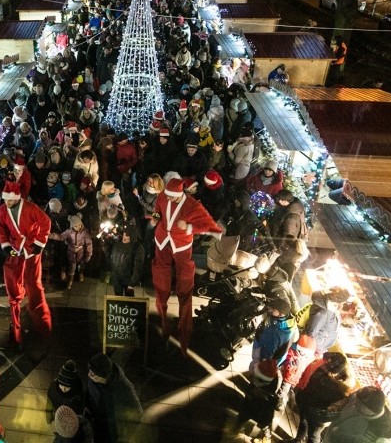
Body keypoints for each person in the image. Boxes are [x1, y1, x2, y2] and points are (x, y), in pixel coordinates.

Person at [151, 177, 223, 355]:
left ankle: (184, 334)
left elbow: (209, 226)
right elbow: (157, 210)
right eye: (167, 196)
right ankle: (163, 326)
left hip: (182, 245)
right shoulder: (162, 197)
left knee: (185, 289)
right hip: (162, 242)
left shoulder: (192, 204)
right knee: (161, 287)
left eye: (172, 197)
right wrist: (155, 217)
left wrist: (189, 226)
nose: (169, 199)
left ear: (181, 194)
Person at [0, 180, 53, 347]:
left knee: (34, 284)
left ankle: (42, 323)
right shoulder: (1, 211)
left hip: (31, 249)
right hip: (15, 248)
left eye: (11, 200)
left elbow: (46, 223)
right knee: (13, 285)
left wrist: (39, 243)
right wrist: (6, 246)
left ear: (18, 198)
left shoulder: (30, 208)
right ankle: (16, 323)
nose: (8, 203)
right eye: (6, 200)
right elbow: (1, 230)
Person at [84, 353, 142, 443]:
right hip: (96, 424)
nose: (88, 375)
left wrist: (125, 437)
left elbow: (137, 412)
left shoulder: (124, 387)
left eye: (92, 374)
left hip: (112, 431)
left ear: (104, 376)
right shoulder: (93, 379)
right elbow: (89, 396)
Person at [294, 352, 350, 443]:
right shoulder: (322, 374)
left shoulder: (333, 386)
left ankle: (299, 439)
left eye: (326, 363)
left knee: (313, 435)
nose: (323, 363)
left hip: (317, 415)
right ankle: (298, 440)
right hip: (308, 407)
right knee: (304, 422)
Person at [322, 386, 391, 443]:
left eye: (359, 405)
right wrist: (337, 406)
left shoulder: (372, 437)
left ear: (371, 411)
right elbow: (349, 399)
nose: (354, 405)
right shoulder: (361, 398)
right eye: (356, 401)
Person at [235, 359, 279, 441]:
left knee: (262, 424)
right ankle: (238, 426)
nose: (253, 378)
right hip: (248, 405)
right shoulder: (257, 383)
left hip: (260, 412)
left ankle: (264, 436)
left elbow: (268, 415)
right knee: (243, 416)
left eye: (256, 378)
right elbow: (249, 388)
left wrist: (264, 424)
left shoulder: (270, 396)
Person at [250, 297, 297, 371]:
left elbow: (266, 354)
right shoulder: (290, 320)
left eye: (272, 309)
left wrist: (260, 364)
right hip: (278, 358)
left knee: (255, 369)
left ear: (279, 313)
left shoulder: (273, 332)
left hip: (264, 357)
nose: (269, 309)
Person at [109, 222, 144, 297]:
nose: (124, 238)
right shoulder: (118, 243)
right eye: (125, 235)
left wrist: (132, 283)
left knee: (129, 302)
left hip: (128, 279)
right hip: (117, 278)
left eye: (127, 237)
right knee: (118, 299)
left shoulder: (138, 248)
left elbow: (138, 267)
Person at [61, 214, 93, 289]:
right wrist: (53, 236)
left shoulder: (85, 233)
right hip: (72, 253)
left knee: (81, 265)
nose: (78, 227)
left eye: (79, 225)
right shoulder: (69, 232)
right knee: (72, 267)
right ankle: (70, 281)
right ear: (72, 226)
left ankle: (81, 273)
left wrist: (88, 254)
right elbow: (61, 236)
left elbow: (89, 243)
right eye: (76, 226)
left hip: (81, 253)